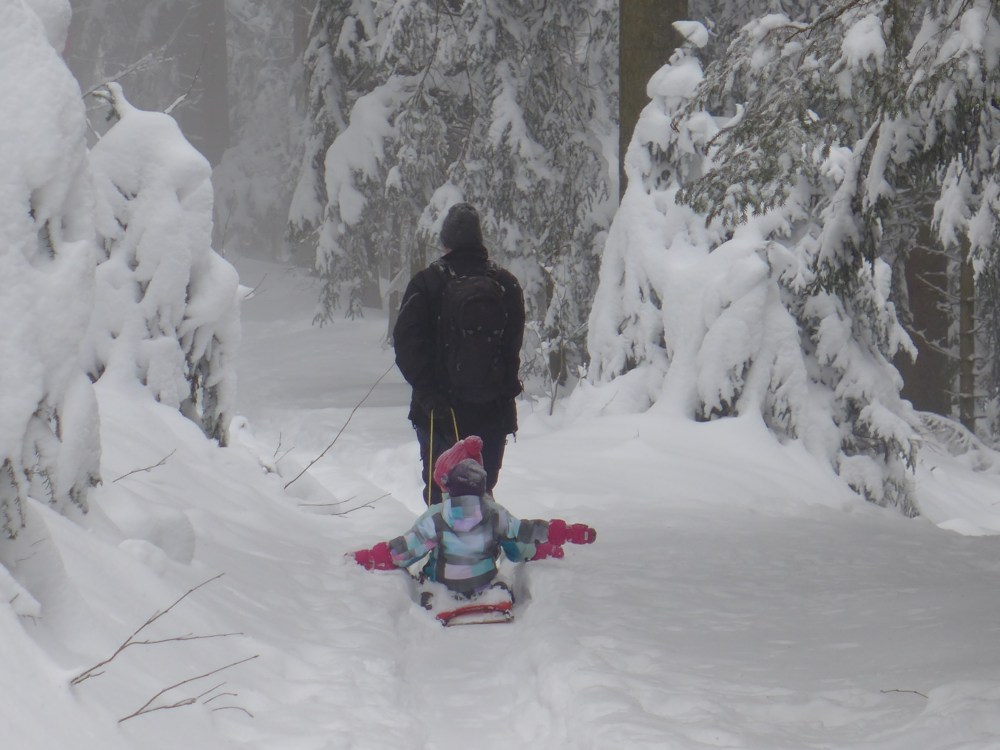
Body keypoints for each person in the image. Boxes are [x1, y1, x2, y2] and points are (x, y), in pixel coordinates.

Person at [393, 202, 525, 505]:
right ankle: (480, 535)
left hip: (439, 412)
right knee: (482, 491)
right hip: (492, 410)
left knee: (441, 492)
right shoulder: (505, 283)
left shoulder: (427, 283)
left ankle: (444, 536)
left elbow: (406, 344)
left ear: (445, 242)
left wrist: (428, 394)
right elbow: (512, 346)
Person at [351, 437, 596, 596]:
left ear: (445, 483)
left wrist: (375, 557)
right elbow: (521, 538)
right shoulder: (495, 514)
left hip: (442, 585)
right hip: (485, 582)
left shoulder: (436, 517)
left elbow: (407, 550)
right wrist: (550, 541)